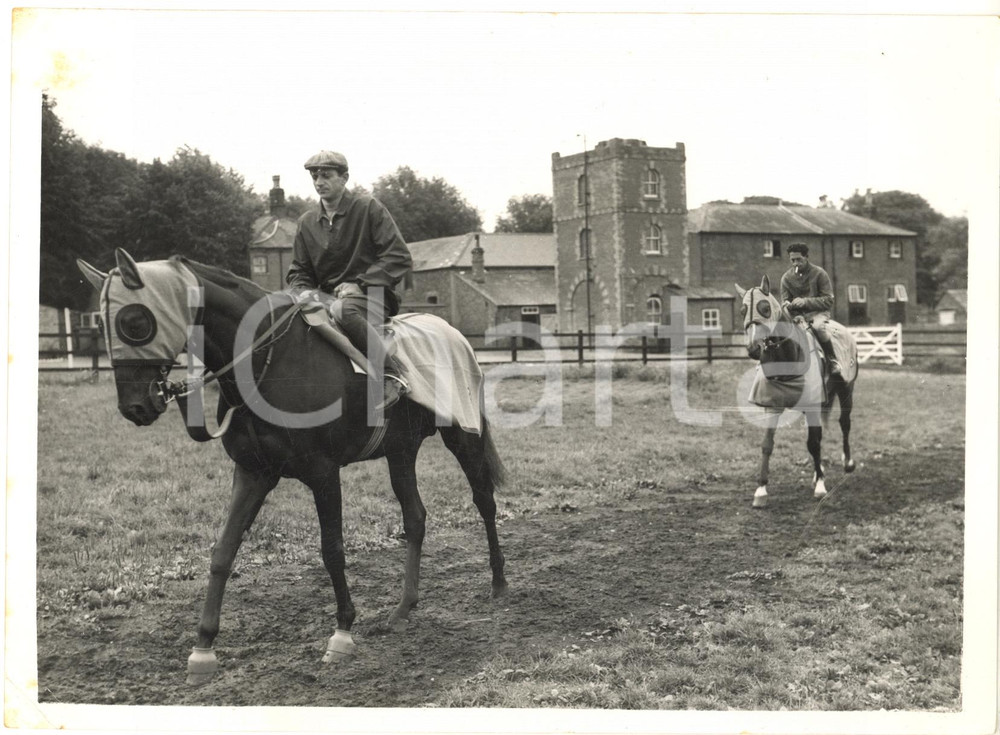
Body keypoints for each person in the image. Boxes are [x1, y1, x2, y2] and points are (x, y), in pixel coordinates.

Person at [286, 150, 413, 411]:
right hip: (325, 299)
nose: (319, 181)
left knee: (343, 309)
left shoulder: (368, 208)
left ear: (344, 178)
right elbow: (299, 270)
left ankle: (392, 375)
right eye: (314, 176)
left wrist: (361, 283)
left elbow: (398, 257)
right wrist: (303, 292)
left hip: (372, 297)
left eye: (326, 175)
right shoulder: (306, 222)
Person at [779, 243, 840, 375]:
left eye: (799, 259)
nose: (795, 263)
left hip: (818, 314)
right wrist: (787, 305)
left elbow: (829, 300)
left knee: (818, 328)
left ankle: (832, 359)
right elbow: (784, 300)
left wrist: (805, 302)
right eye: (792, 260)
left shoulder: (819, 274)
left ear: (806, 257)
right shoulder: (786, 278)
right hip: (797, 316)